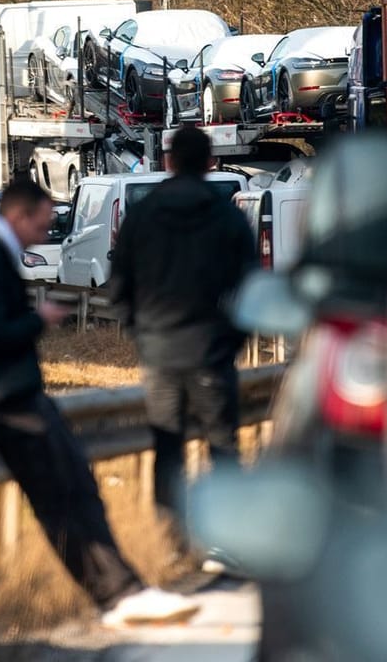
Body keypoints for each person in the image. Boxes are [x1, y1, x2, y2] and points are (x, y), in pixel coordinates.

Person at [0, 177, 200, 629]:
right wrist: (37, 320)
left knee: (77, 487)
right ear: (18, 215)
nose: (43, 236)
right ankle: (117, 595)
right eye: (41, 225)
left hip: (13, 392)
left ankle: (124, 591)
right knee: (63, 496)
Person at [110, 125, 258, 562]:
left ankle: (176, 542)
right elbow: (251, 288)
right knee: (223, 445)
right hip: (211, 349)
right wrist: (231, 340)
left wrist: (141, 334)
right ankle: (227, 540)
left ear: (169, 161)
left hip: (159, 351)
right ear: (211, 164)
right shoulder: (226, 216)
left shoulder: (143, 214)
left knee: (167, 446)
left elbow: (120, 285)